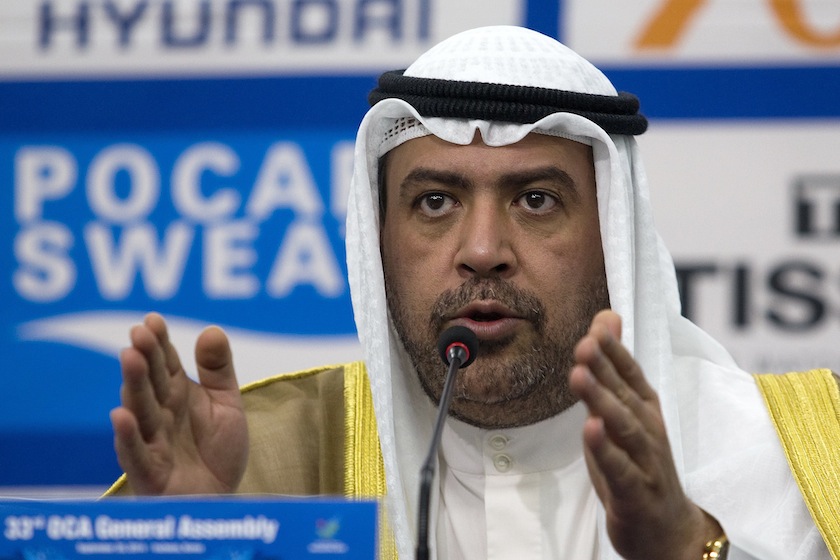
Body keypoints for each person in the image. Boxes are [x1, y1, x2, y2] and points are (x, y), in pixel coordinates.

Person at [106, 26, 838, 560]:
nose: (483, 251)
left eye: (537, 200)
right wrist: (183, 541)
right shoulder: (267, 464)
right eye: (435, 202)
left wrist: (687, 547)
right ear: (379, 242)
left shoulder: (807, 454)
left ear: (613, 237)